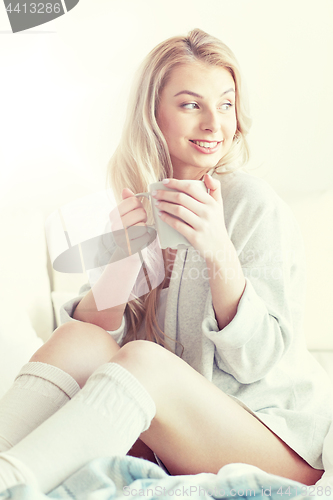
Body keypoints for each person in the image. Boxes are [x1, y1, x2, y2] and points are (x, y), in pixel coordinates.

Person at [0, 28, 332, 494]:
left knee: (144, 360)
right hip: (179, 437)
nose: (214, 124)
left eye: (225, 104)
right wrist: (120, 264)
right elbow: (88, 344)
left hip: (278, 442)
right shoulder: (129, 205)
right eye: (191, 104)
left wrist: (218, 250)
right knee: (80, 337)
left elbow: (257, 362)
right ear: (153, 113)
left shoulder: (254, 205)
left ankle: (15, 481)